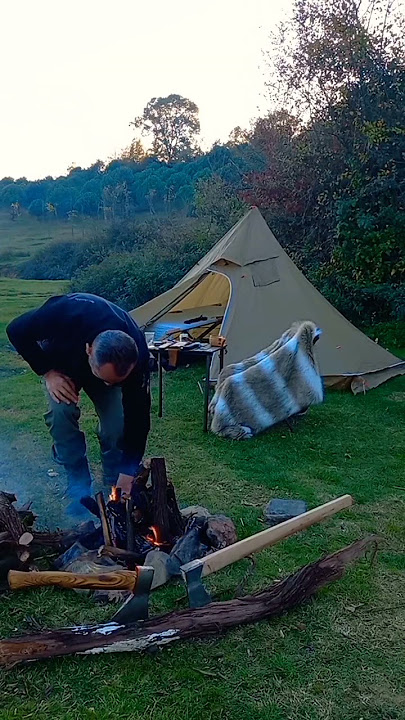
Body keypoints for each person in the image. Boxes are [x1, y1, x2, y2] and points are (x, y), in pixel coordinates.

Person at [7, 292, 150, 518]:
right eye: (104, 379)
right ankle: (78, 486)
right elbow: (16, 329)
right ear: (89, 349)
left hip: (108, 366)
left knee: (117, 425)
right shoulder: (63, 313)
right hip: (62, 364)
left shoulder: (137, 355)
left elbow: (139, 418)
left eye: (113, 382)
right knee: (61, 415)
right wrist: (47, 371)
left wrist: (127, 472)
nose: (106, 384)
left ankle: (114, 486)